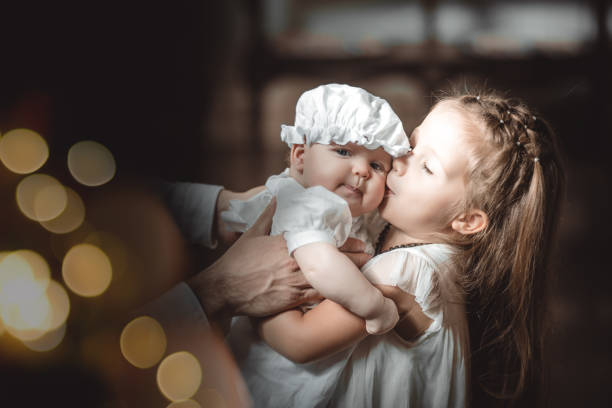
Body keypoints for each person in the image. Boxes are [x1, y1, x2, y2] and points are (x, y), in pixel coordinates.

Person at [227, 89, 564, 407]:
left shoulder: (404, 272)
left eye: (427, 167)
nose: (398, 162)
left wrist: (240, 284)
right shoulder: (413, 237)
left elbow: (297, 341)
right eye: (411, 145)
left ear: (467, 220)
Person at [221, 83, 411, 335]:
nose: (362, 171)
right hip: (280, 363)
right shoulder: (310, 202)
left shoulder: (339, 207)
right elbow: (318, 263)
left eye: (377, 166)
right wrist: (376, 307)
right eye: (343, 151)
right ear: (300, 157)